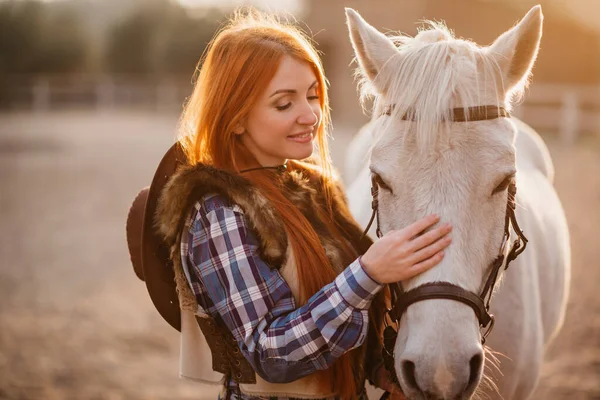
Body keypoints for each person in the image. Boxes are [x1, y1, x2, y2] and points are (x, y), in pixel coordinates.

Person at [127, 8, 452, 400]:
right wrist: (368, 272)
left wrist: (380, 370)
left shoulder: (312, 190)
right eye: (284, 104)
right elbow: (271, 352)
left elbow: (336, 314)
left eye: (313, 95)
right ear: (236, 118)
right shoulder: (218, 213)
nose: (310, 115)